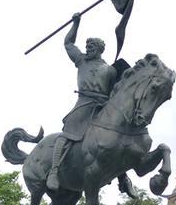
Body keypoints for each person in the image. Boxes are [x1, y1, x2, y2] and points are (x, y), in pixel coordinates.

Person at [46, 12, 125, 191]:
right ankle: (54, 170)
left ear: (99, 49)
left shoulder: (110, 70)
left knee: (117, 139)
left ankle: (123, 178)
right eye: (87, 46)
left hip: (102, 107)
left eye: (91, 46)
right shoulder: (81, 60)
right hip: (83, 104)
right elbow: (68, 43)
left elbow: (114, 93)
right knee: (66, 134)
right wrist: (76, 23)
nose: (88, 48)